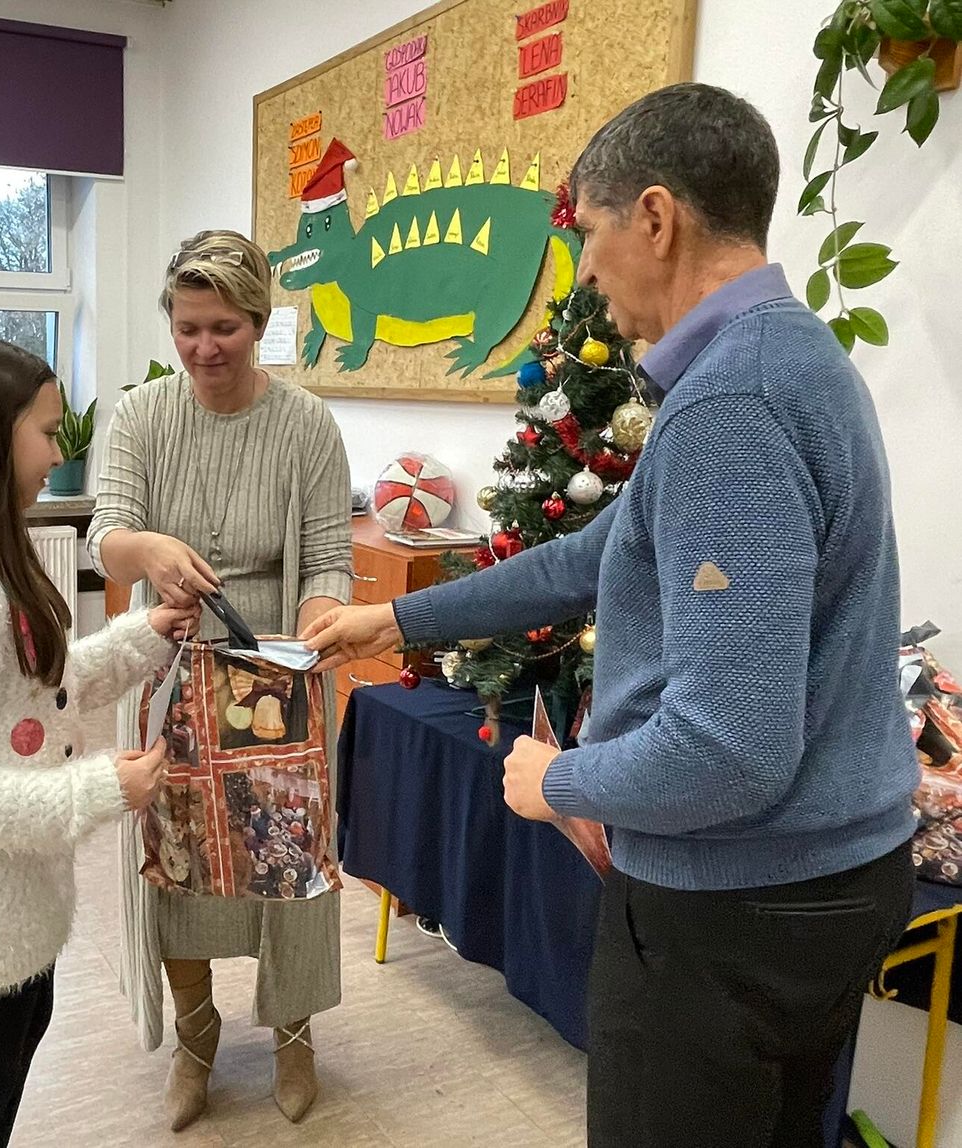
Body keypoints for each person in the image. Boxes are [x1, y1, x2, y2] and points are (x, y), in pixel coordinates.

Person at [303, 82, 918, 1148]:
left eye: (588, 232)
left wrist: (558, 783)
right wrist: (399, 621)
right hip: (829, 883)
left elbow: (729, 750)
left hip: (733, 912)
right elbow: (600, 554)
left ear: (657, 218)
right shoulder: (794, 354)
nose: (582, 269)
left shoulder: (731, 404)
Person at [0, 333, 199, 1148]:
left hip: (12, 889)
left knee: (13, 1048)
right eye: (48, 433)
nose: (60, 454)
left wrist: (144, 635)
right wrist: (102, 788)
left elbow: (39, 685)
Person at [90, 229, 354, 1127]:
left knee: (292, 862)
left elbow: (328, 557)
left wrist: (313, 627)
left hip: (277, 679)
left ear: (260, 322)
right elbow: (106, 536)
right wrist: (149, 549)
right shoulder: (142, 417)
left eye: (225, 329)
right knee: (179, 863)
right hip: (170, 672)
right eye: (187, 328)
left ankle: (294, 1035)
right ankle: (196, 1040)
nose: (204, 348)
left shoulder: (307, 424)